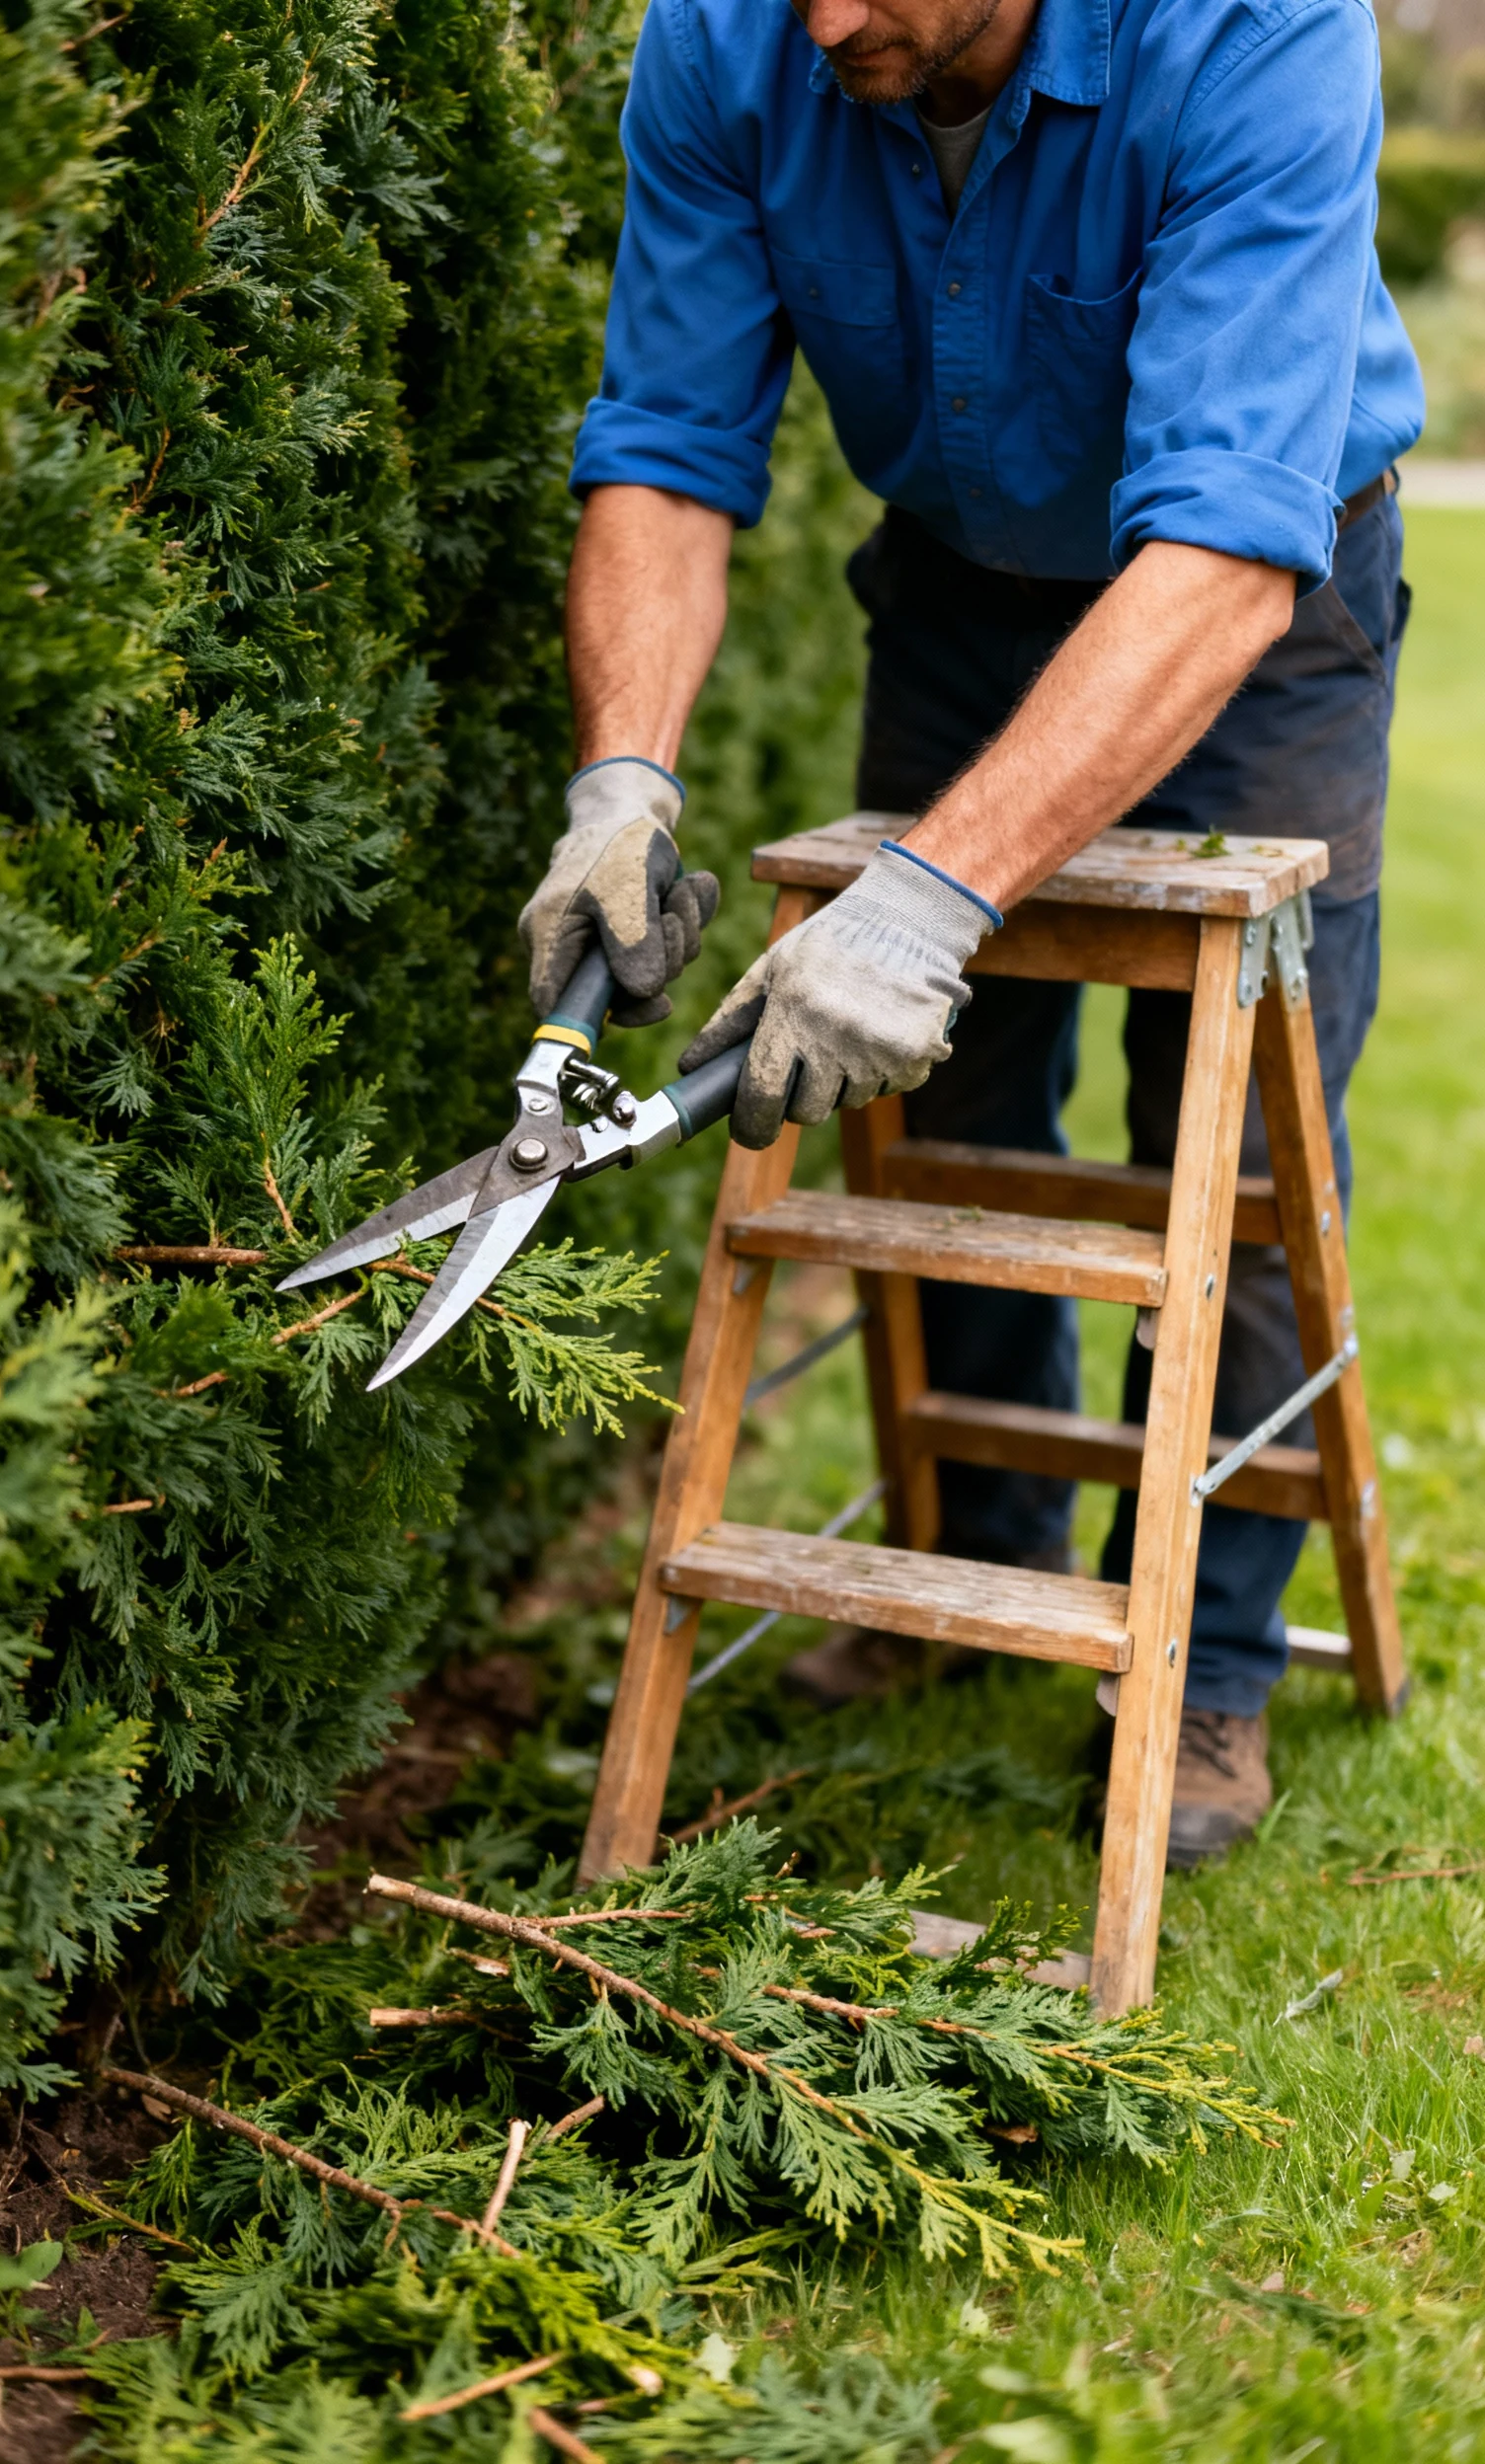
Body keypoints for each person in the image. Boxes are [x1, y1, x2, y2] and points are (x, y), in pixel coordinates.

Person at [517, 0, 1423, 1864]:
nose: (830, 22)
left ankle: (1211, 1665)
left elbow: (1231, 534)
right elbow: (672, 443)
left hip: (1252, 597)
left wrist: (930, 896)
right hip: (957, 583)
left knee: (1235, 1148)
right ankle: (989, 1546)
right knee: (937, 1113)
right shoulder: (725, 43)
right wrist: (621, 785)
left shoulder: (1258, 33)